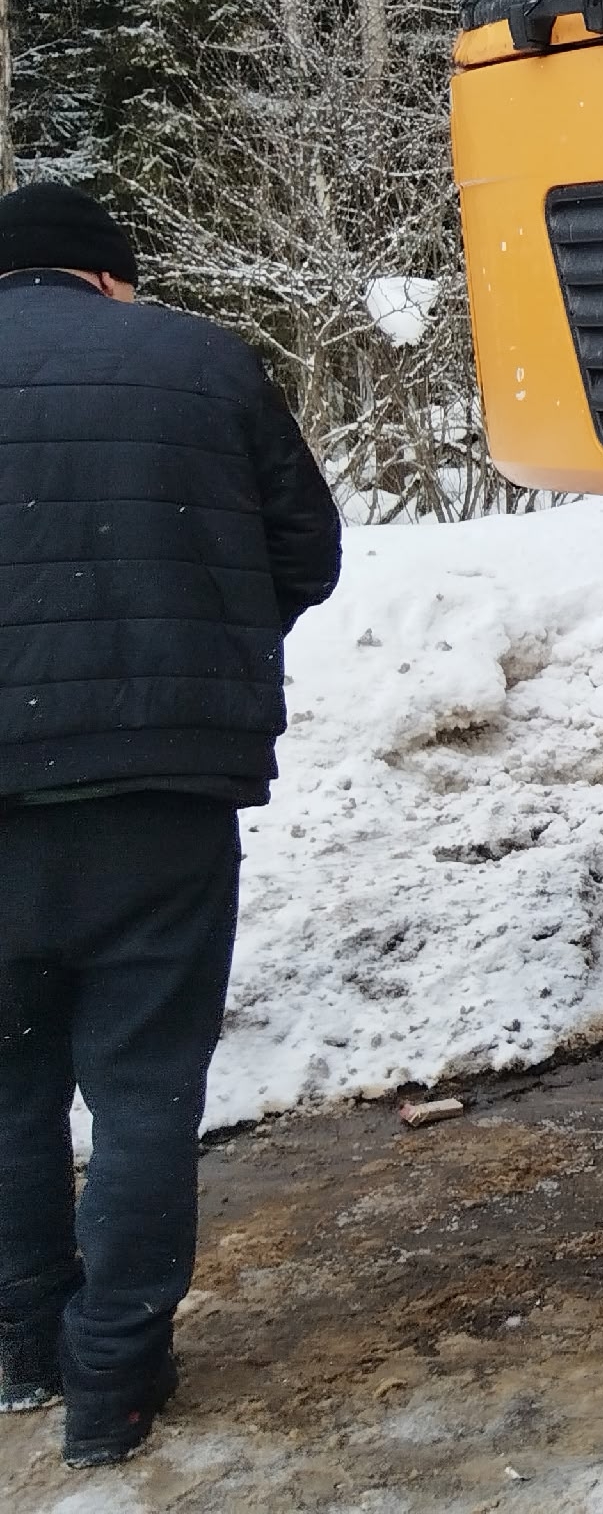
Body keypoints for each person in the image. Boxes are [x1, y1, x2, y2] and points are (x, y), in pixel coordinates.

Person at [0, 181, 340, 1469]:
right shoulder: (203, 362)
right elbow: (306, 551)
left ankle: (25, 1349)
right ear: (106, 278)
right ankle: (114, 1389)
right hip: (159, 791)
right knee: (142, 1091)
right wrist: (196, 643)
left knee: (7, 1092)